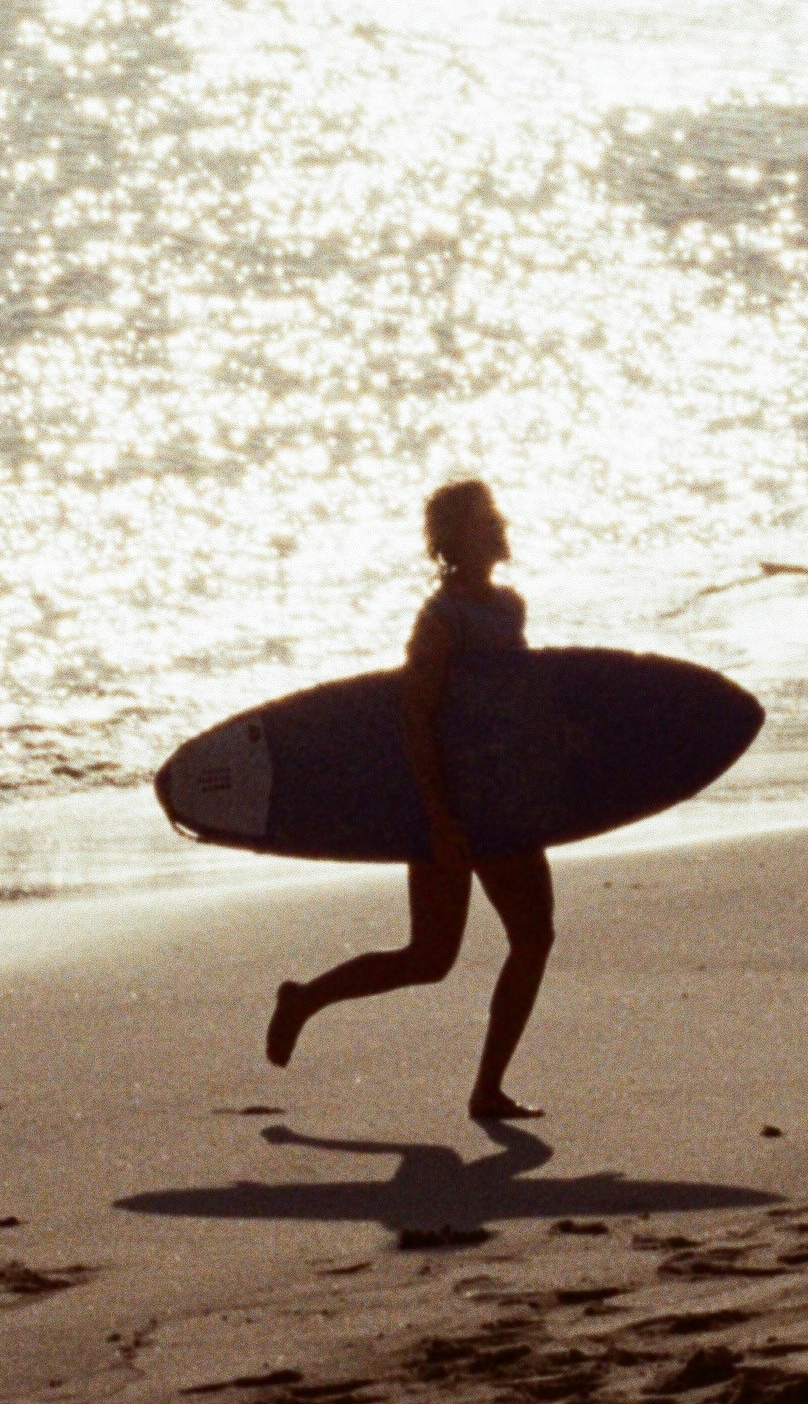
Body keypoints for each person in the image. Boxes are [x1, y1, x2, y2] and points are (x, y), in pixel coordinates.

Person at [261, 473, 556, 1128]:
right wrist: (437, 815)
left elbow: (508, 705)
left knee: (500, 944)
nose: (500, 523)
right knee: (448, 954)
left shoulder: (509, 606)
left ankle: (484, 1088)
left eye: (496, 512)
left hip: (501, 796)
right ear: (458, 538)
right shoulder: (441, 618)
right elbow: (414, 718)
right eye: (486, 517)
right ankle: (305, 999)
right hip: (456, 804)